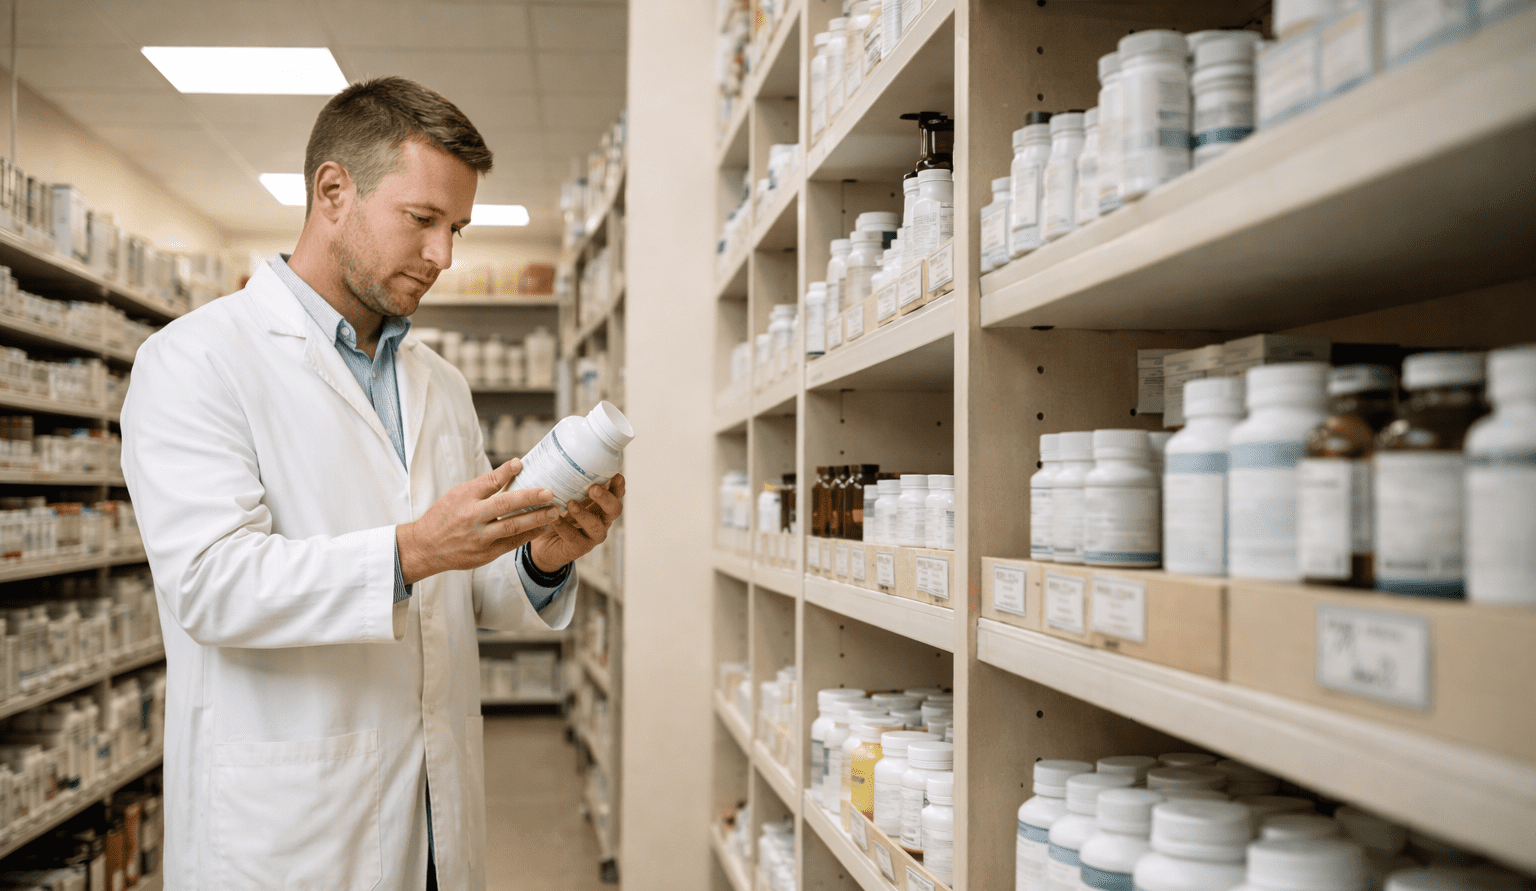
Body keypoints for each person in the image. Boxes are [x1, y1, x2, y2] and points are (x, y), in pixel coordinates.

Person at [120, 76, 622, 890]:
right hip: (293, 836)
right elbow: (209, 583)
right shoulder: (195, 360)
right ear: (333, 192)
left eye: (455, 227)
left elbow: (458, 591)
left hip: (433, 822)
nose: (444, 256)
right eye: (422, 220)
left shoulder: (440, 384)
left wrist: (538, 558)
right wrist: (413, 549)